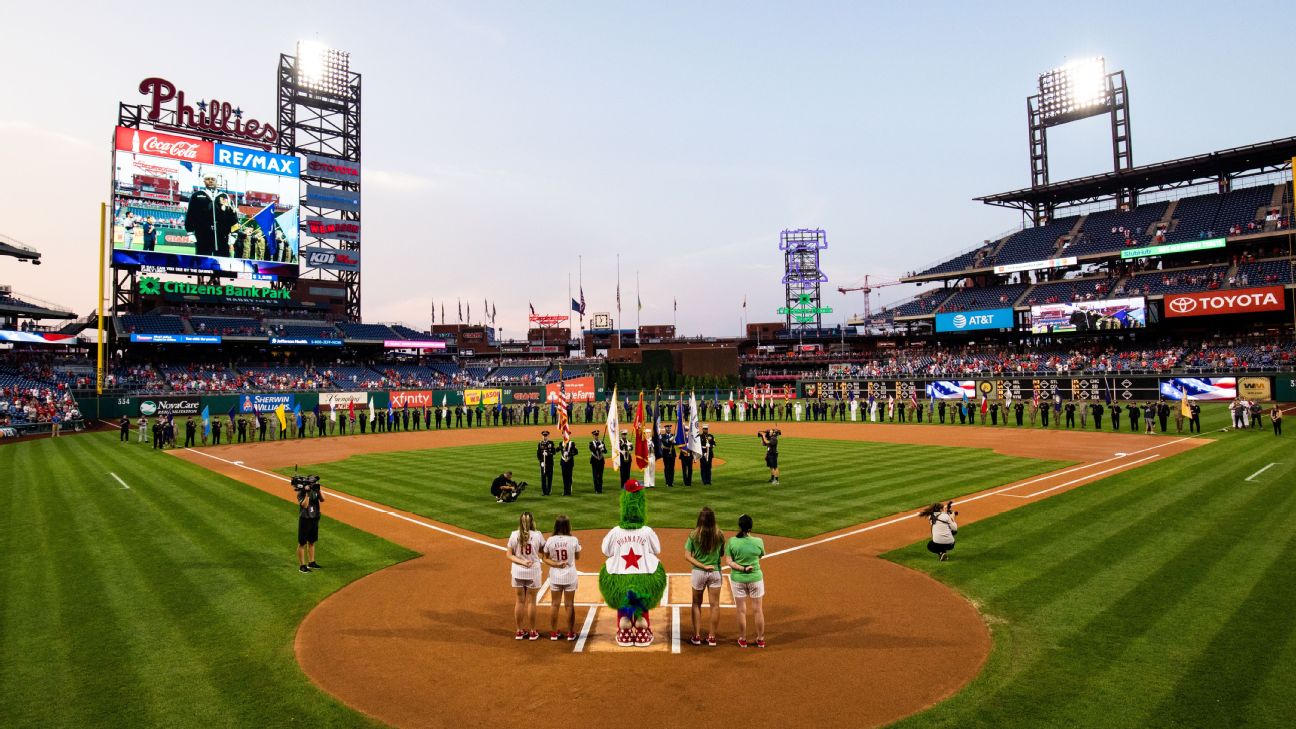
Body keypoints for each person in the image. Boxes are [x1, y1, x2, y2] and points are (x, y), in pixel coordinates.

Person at [684, 507, 725, 646]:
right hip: (715, 572)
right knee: (715, 605)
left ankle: (696, 636)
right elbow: (721, 554)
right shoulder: (720, 534)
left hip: (698, 573)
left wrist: (702, 565)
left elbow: (687, 556)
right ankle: (712, 637)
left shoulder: (693, 535)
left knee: (696, 603)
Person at [725, 514, 766, 648]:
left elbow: (729, 562)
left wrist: (742, 568)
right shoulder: (759, 541)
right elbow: (761, 555)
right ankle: (760, 639)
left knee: (741, 611)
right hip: (755, 578)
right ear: (751, 527)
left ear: (739, 526)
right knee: (758, 610)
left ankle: (742, 639)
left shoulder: (732, 541)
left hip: (738, 579)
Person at [507, 511, 545, 640]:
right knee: (532, 602)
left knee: (519, 601)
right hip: (533, 571)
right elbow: (543, 551)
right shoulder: (537, 535)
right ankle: (533, 632)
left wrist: (522, 561)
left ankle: (519, 631)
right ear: (532, 522)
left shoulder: (514, 535)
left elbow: (509, 555)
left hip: (518, 571)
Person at [541, 515, 580, 641]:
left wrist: (556, 563)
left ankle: (553, 633)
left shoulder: (550, 540)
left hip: (555, 576)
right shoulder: (573, 540)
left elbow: (545, 558)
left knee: (554, 604)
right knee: (569, 605)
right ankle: (570, 633)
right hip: (570, 576)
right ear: (568, 526)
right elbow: (577, 556)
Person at [184, 173, 238, 257]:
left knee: (222, 261)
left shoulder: (225, 197)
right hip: (202, 234)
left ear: (216, 181)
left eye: (213, 179)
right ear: (204, 181)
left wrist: (234, 233)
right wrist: (190, 232)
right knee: (202, 260)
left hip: (222, 235)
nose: (210, 181)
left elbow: (233, 216)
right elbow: (190, 215)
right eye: (208, 179)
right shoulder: (196, 196)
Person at [295, 476, 324, 573]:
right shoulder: (301, 493)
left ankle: (311, 562)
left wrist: (319, 490)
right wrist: (307, 493)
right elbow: (304, 505)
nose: (315, 484)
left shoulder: (316, 490)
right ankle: (302, 566)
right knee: (302, 543)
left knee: (312, 541)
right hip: (305, 519)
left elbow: (323, 499)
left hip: (315, 518)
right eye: (313, 483)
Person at [536, 431, 556, 496]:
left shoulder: (551, 443)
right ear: (542, 436)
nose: (545, 437)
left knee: (549, 478)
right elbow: (538, 454)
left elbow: (554, 452)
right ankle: (544, 492)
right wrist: (541, 461)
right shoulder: (540, 443)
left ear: (548, 436)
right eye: (544, 436)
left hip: (550, 463)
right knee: (543, 478)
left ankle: (548, 491)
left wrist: (548, 454)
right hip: (543, 464)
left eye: (546, 436)